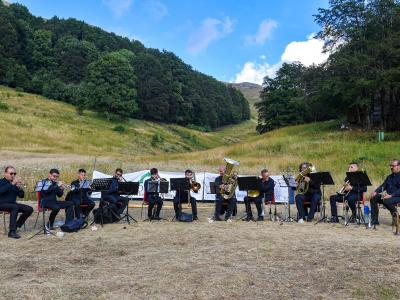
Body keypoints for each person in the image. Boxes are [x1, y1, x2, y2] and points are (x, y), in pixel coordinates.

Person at [0, 166, 33, 238]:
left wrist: (19, 187)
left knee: (29, 209)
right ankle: (12, 232)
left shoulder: (14, 183)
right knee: (15, 207)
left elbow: (21, 196)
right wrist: (12, 184)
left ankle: (16, 225)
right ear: (5, 173)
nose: (13, 175)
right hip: (1, 203)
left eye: (15, 173)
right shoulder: (1, 182)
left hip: (12, 204)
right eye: (11, 173)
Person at [370, 159, 400, 226]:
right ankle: (374, 221)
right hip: (388, 196)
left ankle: (396, 217)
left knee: (386, 200)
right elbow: (383, 186)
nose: (391, 167)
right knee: (374, 197)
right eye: (390, 166)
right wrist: (375, 191)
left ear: (399, 166)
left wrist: (391, 195)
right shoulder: (389, 177)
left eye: (393, 166)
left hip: (397, 196)